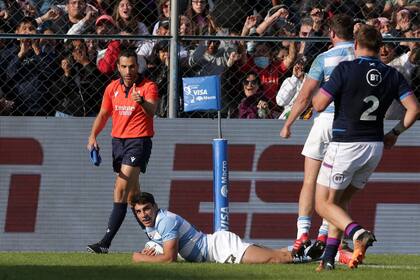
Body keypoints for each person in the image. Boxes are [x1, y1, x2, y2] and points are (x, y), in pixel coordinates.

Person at [312, 24, 420, 271]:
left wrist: (322, 87)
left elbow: (318, 104)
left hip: (346, 143)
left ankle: (357, 233)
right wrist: (394, 133)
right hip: (374, 146)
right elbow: (414, 108)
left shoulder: (345, 68)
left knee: (322, 204)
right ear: (380, 47)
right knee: (337, 204)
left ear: (355, 46)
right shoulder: (392, 74)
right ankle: (328, 259)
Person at [279, 14, 355, 259]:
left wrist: (289, 123)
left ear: (332, 34)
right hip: (351, 126)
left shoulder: (324, 58)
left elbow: (304, 95)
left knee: (310, 179)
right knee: (335, 184)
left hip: (325, 122)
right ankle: (324, 233)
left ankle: (302, 234)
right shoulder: (360, 56)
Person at [86, 48, 159, 253]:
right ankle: (159, 239)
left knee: (120, 189)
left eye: (132, 66)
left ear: (138, 66)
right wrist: (93, 136)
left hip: (138, 141)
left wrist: (141, 101)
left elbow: (153, 110)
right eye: (124, 66)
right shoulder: (112, 88)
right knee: (133, 196)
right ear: (118, 67)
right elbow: (103, 114)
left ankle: (105, 243)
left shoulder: (148, 86)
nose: (128, 71)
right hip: (118, 142)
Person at [131, 192, 324, 264]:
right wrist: (152, 249)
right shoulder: (152, 223)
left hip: (219, 249)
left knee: (276, 260)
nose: (143, 214)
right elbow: (165, 246)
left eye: (146, 209)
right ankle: (316, 250)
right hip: (215, 247)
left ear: (155, 207)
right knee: (277, 253)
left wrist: (139, 257)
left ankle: (326, 254)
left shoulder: (164, 220)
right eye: (138, 212)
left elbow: (169, 259)